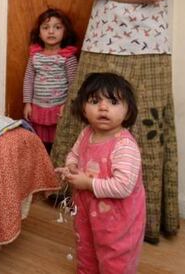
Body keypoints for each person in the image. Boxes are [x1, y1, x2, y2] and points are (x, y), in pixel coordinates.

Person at [50, 0, 185, 243]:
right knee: (89, 121)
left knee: (142, 129)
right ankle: (75, 196)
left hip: (149, 50)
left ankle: (141, 216)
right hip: (99, 44)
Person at [57, 72, 145, 274]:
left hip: (118, 221)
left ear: (128, 111)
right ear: (83, 108)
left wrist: (87, 183)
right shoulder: (87, 133)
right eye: (95, 101)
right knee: (86, 248)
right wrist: (71, 167)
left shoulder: (124, 146)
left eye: (113, 102)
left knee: (115, 259)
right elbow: (74, 154)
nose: (103, 107)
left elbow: (123, 186)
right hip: (87, 212)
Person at [22, 8, 79, 152]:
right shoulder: (35, 55)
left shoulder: (68, 57)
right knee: (39, 145)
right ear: (39, 32)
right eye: (46, 27)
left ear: (65, 31)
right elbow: (28, 79)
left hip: (59, 108)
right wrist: (27, 103)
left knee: (58, 144)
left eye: (57, 27)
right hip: (38, 107)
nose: (51, 31)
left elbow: (74, 84)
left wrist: (67, 105)